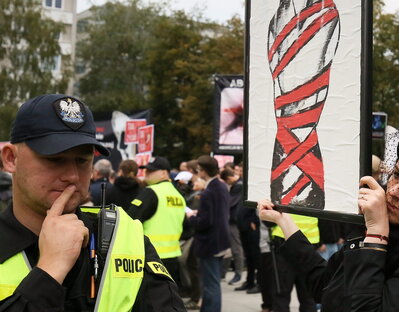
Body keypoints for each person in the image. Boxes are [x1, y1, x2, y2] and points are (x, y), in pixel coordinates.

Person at [258, 110, 399, 311]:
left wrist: (376, 236)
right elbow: (325, 286)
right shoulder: (378, 230)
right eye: (397, 175)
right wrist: (284, 221)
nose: (395, 191)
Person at [0, 94, 184, 310]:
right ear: (11, 158)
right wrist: (49, 272)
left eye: (82, 160)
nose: (72, 176)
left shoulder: (124, 237)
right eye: (54, 159)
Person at [128, 156, 187, 286]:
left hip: (151, 257)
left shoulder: (151, 192)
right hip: (173, 256)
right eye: (146, 171)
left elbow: (130, 220)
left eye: (151, 171)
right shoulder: (178, 195)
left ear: (164, 173)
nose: (146, 174)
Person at [187, 155, 230, 312]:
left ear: (204, 171)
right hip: (220, 239)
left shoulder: (209, 192)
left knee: (211, 285)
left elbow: (205, 222)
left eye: (198, 170)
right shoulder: (221, 187)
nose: (197, 173)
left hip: (210, 242)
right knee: (212, 283)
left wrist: (192, 217)